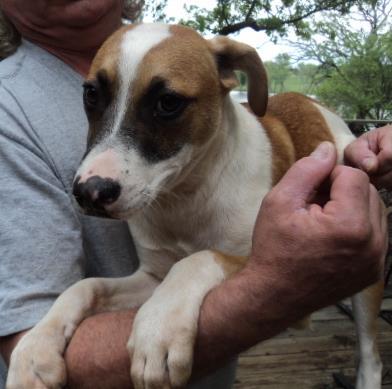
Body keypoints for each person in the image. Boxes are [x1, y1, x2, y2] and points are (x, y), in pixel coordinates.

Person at [0, 0, 390, 387]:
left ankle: (369, 365)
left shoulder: (192, 71)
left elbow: (269, 266)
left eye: (167, 104)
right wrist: (71, 308)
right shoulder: (10, 109)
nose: (95, 177)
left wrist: (368, 157)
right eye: (93, 97)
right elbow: (269, 280)